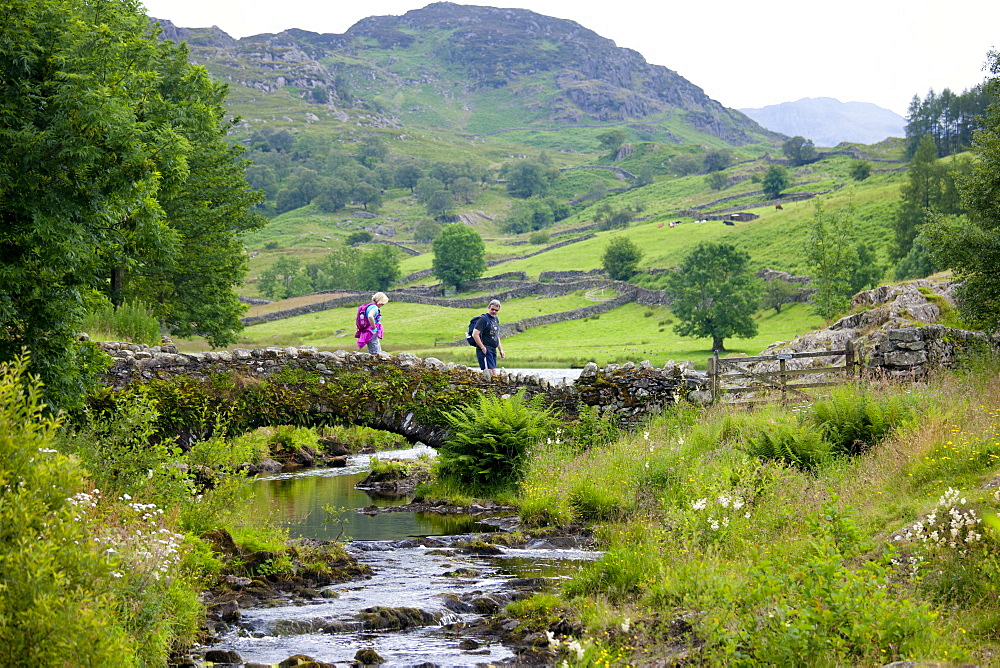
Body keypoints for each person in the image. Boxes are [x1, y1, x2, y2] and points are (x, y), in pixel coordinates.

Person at [471, 299, 505, 375]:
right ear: (488, 307)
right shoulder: (483, 319)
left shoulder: (495, 319)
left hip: (493, 349)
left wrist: (501, 350)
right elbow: (475, 334)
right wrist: (482, 347)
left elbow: (496, 335)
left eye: (496, 310)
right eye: (492, 309)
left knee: (493, 372)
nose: (494, 312)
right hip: (485, 349)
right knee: (490, 373)